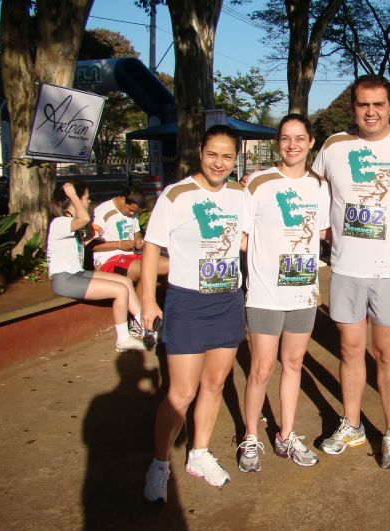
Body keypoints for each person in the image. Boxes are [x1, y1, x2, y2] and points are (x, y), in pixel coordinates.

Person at [312, 75, 390, 469]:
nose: (371, 112)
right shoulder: (334, 146)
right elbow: (312, 189)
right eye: (363, 104)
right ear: (353, 107)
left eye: (378, 104)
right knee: (350, 349)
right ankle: (352, 424)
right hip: (346, 267)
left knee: (386, 353)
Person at [142, 125, 247, 503]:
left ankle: (199, 452)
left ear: (235, 159)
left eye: (227, 156)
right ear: (200, 151)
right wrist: (147, 300)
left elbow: (244, 239)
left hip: (228, 301)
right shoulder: (177, 195)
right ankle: (159, 465)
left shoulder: (240, 195)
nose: (219, 163)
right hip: (187, 303)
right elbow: (151, 247)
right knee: (181, 392)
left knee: (215, 384)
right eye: (212, 154)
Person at [237, 114, 330, 472]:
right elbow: (242, 236)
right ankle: (250, 436)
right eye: (286, 138)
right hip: (265, 293)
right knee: (261, 368)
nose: (292, 145)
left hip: (303, 294)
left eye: (299, 138)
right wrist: (265, 258)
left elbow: (322, 233)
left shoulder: (320, 186)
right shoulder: (258, 182)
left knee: (293, 364)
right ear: (278, 143)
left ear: (310, 142)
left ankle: (286, 435)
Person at [47, 181, 146, 352]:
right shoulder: (60, 222)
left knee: (125, 282)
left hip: (77, 273)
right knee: (120, 291)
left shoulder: (69, 224)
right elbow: (84, 218)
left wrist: (92, 237)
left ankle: (146, 326)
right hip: (64, 279)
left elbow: (78, 245)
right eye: (86, 198)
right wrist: (73, 195)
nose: (88, 201)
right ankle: (123, 340)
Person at [90, 187, 170, 303]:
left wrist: (138, 239)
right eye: (130, 210)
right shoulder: (102, 212)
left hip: (130, 256)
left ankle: (159, 306)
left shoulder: (133, 211)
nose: (132, 213)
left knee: (168, 265)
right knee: (150, 269)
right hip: (109, 260)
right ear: (123, 199)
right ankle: (139, 311)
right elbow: (93, 245)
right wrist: (119, 245)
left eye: (135, 212)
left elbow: (136, 232)